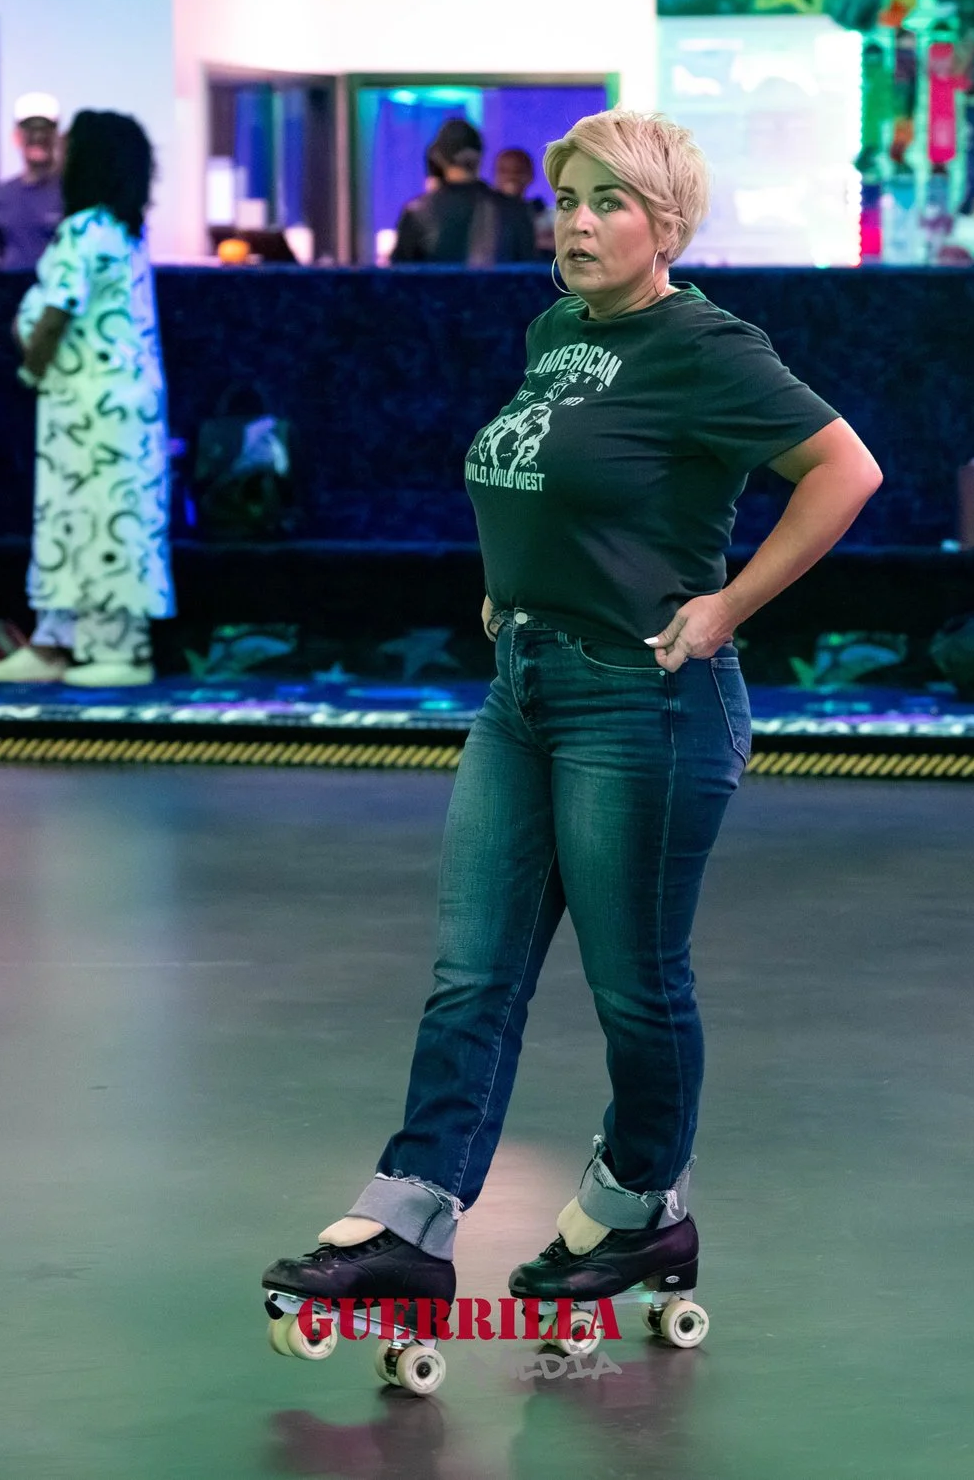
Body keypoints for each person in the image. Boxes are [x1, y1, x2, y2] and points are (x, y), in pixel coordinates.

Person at [259, 110, 883, 1330]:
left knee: (635, 985)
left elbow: (845, 469)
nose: (577, 222)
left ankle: (641, 1199)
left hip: (645, 698)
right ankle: (411, 1214)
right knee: (470, 972)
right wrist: (515, 576)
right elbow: (547, 469)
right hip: (524, 689)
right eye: (566, 199)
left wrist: (724, 605)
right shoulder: (555, 331)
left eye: (607, 202)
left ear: (665, 223)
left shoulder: (707, 344)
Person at [0, 111, 172, 689]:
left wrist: (30, 365)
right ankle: (55, 641)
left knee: (96, 522)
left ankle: (117, 651)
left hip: (91, 403)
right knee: (88, 520)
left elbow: (60, 305)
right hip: (113, 402)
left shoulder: (86, 228)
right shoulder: (124, 229)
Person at [389, 117, 537, 267]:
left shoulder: (417, 213)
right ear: (480, 156)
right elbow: (530, 277)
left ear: (439, 157)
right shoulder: (515, 210)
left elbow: (399, 279)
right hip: (497, 291)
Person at [0, 92, 65, 270]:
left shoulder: (69, 191)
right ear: (17, 136)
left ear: (56, 136)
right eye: (31, 131)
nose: (38, 137)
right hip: (9, 292)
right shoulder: (2, 193)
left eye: (45, 130)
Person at [494, 144, 555, 253]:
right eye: (504, 171)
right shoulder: (484, 214)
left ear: (530, 175)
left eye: (518, 171)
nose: (511, 177)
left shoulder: (546, 216)